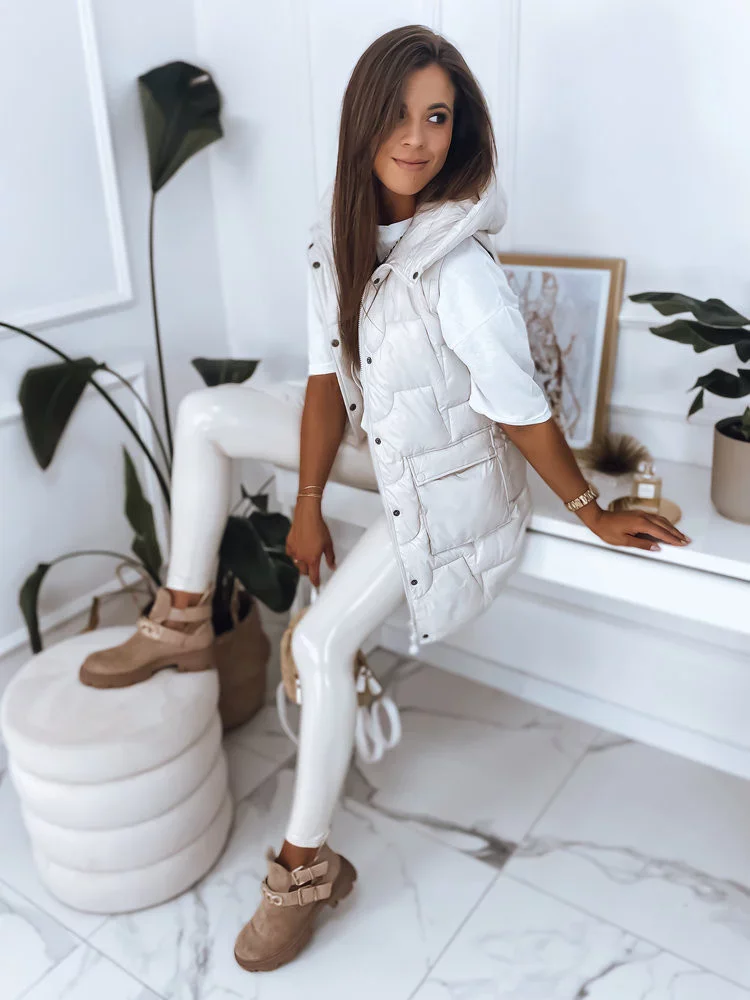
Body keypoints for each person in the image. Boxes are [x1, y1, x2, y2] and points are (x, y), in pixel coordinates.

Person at [79, 24, 691, 973]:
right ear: (361, 120)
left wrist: (589, 511)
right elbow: (326, 381)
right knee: (203, 416)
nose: (417, 138)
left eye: (438, 117)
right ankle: (182, 618)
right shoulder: (335, 237)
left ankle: (305, 869)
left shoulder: (460, 266)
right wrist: (308, 503)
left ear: (460, 129)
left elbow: (519, 409)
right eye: (400, 114)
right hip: (382, 443)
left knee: (321, 642)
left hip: (455, 476)